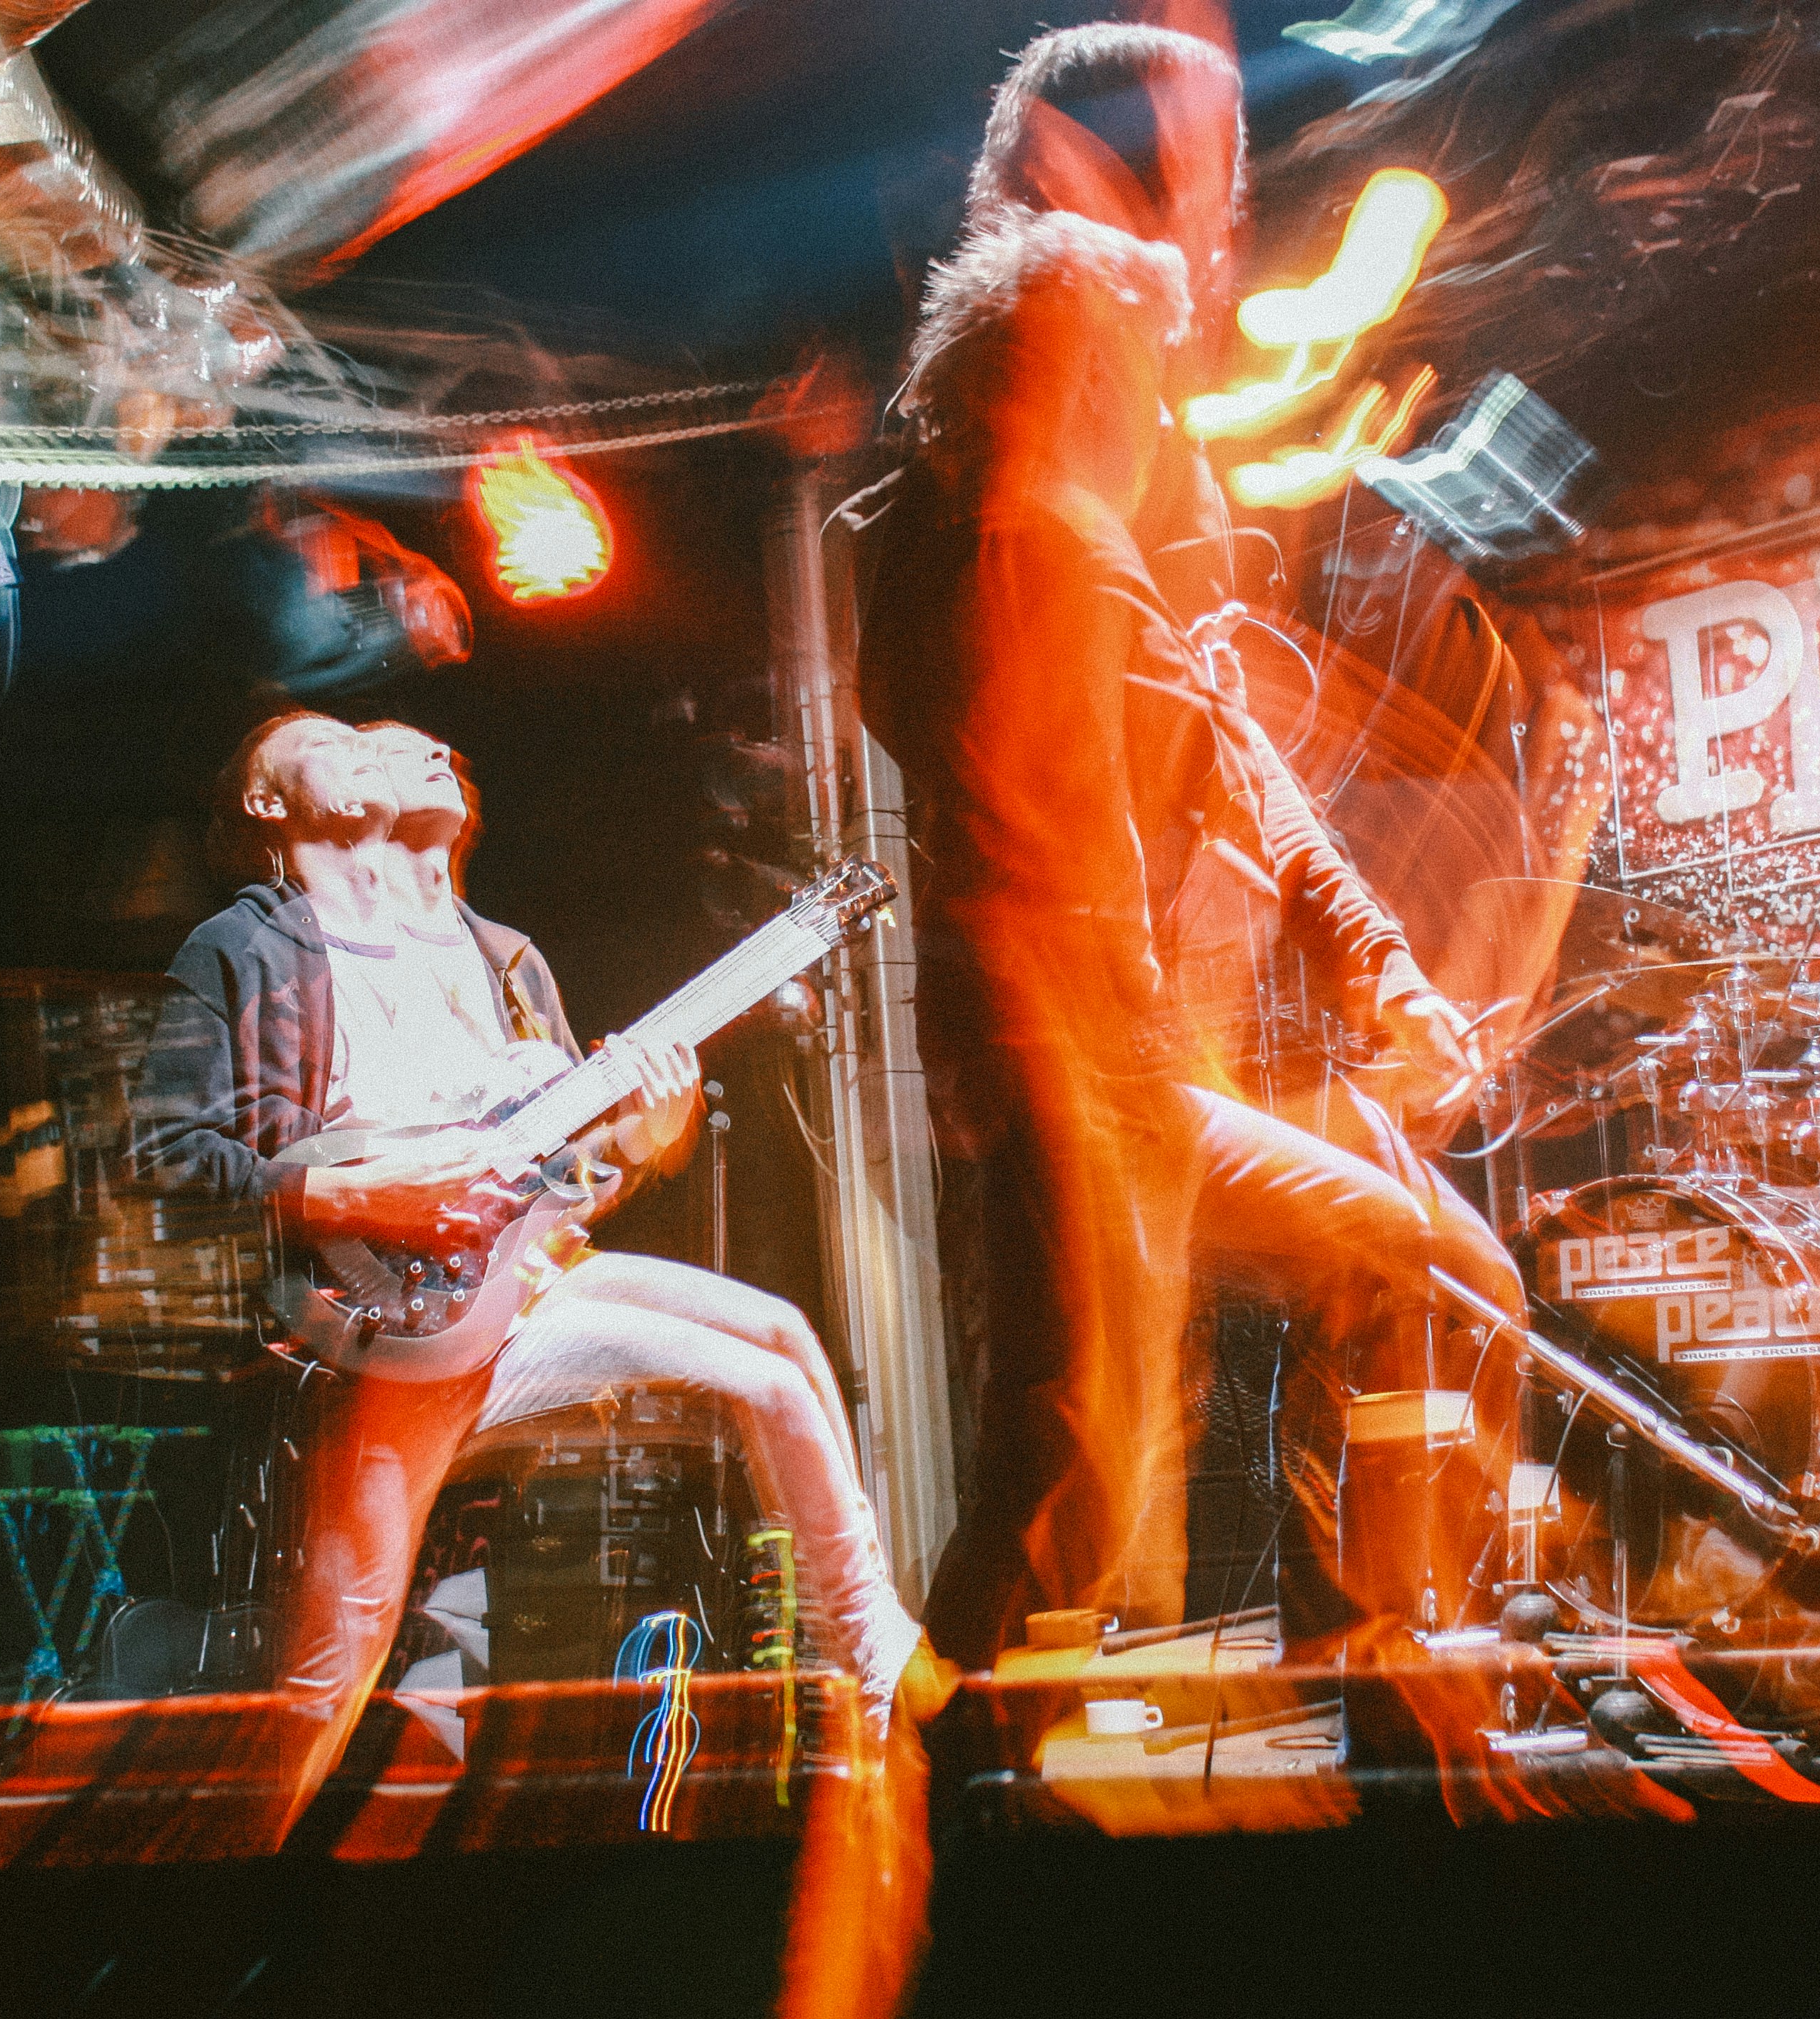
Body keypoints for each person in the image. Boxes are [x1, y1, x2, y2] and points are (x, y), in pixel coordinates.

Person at [849, 200, 1520, 1671]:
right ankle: (981, 1765)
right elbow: (1046, 850)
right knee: (1074, 1460)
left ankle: (1360, 1658)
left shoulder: (1066, 537)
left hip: (1115, 1070)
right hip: (1086, 1072)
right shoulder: (1012, 545)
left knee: (1078, 1456)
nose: (1163, 406)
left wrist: (1378, 960)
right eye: (1142, 366)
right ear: (1079, 367)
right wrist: (1135, 1082)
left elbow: (1235, 763)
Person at [140, 712, 934, 1811]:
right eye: (341, 740)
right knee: (334, 1669)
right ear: (268, 806)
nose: (398, 752)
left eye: (416, 749)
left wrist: (647, 1139)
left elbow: (556, 1185)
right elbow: (170, 1158)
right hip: (380, 1322)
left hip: (523, 1298)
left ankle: (882, 1664)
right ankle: (222, 1888)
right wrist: (370, 1194)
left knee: (776, 1349)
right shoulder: (247, 949)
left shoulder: (503, 960)